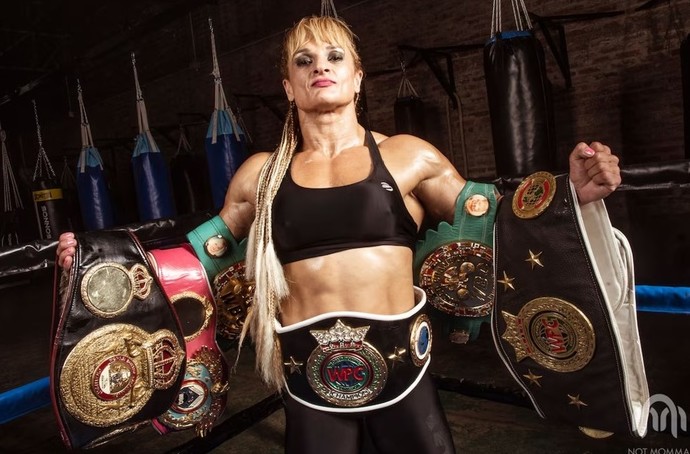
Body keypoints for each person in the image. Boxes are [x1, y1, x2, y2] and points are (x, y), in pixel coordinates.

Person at [57, 15, 621, 454]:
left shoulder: (409, 156)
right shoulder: (260, 174)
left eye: (334, 57)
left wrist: (569, 193)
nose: (319, 67)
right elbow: (198, 256)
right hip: (309, 379)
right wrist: (96, 263)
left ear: (357, 78)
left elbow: (494, 219)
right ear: (288, 85)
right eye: (303, 61)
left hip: (404, 370)